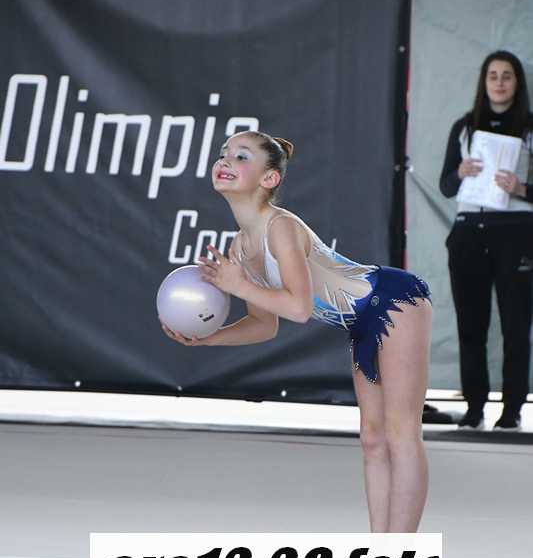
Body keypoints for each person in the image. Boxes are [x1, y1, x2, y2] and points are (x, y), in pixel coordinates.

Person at [161, 131, 432, 533]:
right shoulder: (240, 247)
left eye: (241, 156)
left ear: (269, 178)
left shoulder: (281, 228)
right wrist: (208, 337)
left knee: (401, 433)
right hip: (361, 322)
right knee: (372, 439)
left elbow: (299, 308)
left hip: (394, 301)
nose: (226, 160)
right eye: (223, 154)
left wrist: (239, 286)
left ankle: (401, 555)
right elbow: (264, 324)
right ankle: (381, 551)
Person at [440, 50, 533, 431]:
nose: (499, 83)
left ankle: (512, 409)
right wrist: (461, 172)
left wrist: (521, 188)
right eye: (492, 75)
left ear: (517, 82)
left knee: (516, 326)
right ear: (484, 81)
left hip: (516, 234)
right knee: (471, 326)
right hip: (469, 232)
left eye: (506, 75)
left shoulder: (529, 127)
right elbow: (446, 185)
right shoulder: (464, 127)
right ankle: (474, 407)